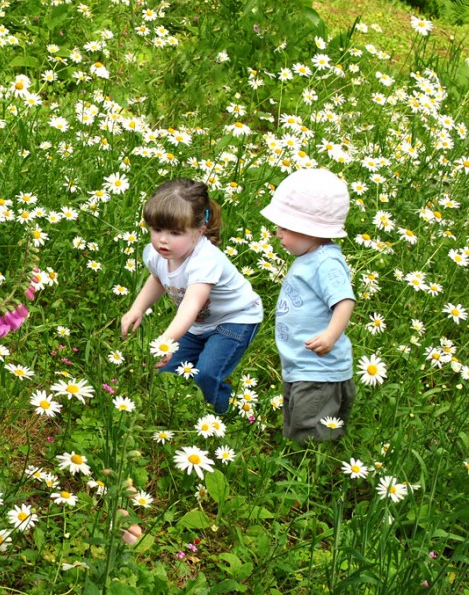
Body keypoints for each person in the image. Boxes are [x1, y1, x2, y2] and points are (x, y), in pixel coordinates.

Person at [121, 178, 263, 414]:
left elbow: (192, 305)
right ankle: (180, 411)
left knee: (207, 373)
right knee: (164, 372)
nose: (163, 240)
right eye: (156, 230)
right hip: (199, 325)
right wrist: (137, 308)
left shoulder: (205, 260)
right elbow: (157, 278)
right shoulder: (157, 253)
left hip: (236, 320)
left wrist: (166, 341)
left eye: (175, 233)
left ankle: (220, 414)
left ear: (200, 230)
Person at [260, 168, 356, 443]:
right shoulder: (309, 257)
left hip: (319, 370)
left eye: (284, 227)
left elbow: (344, 300)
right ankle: (297, 460)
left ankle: (309, 477)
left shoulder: (326, 262)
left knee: (311, 432)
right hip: (301, 364)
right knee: (296, 421)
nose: (277, 233)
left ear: (311, 230)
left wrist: (330, 335)